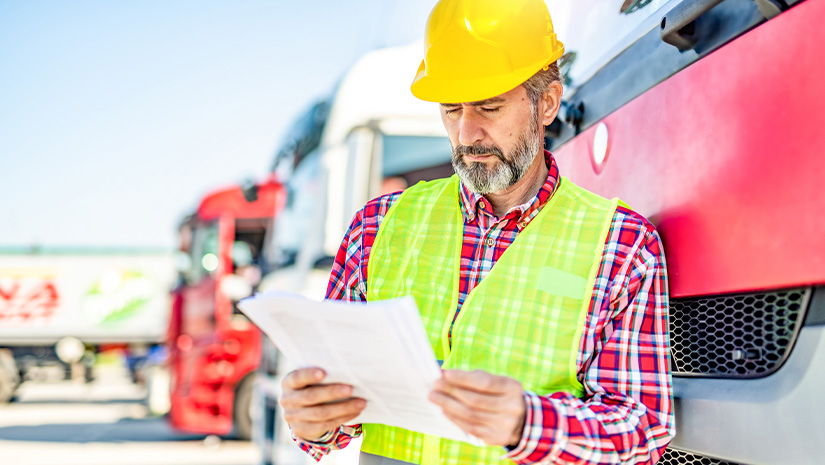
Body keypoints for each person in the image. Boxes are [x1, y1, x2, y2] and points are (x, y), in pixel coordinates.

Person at [279, 0, 674, 463]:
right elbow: (336, 405)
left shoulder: (622, 247)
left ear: (546, 102)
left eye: (489, 106)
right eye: (451, 109)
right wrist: (315, 423)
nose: (467, 133)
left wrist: (529, 424)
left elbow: (642, 428)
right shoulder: (377, 228)